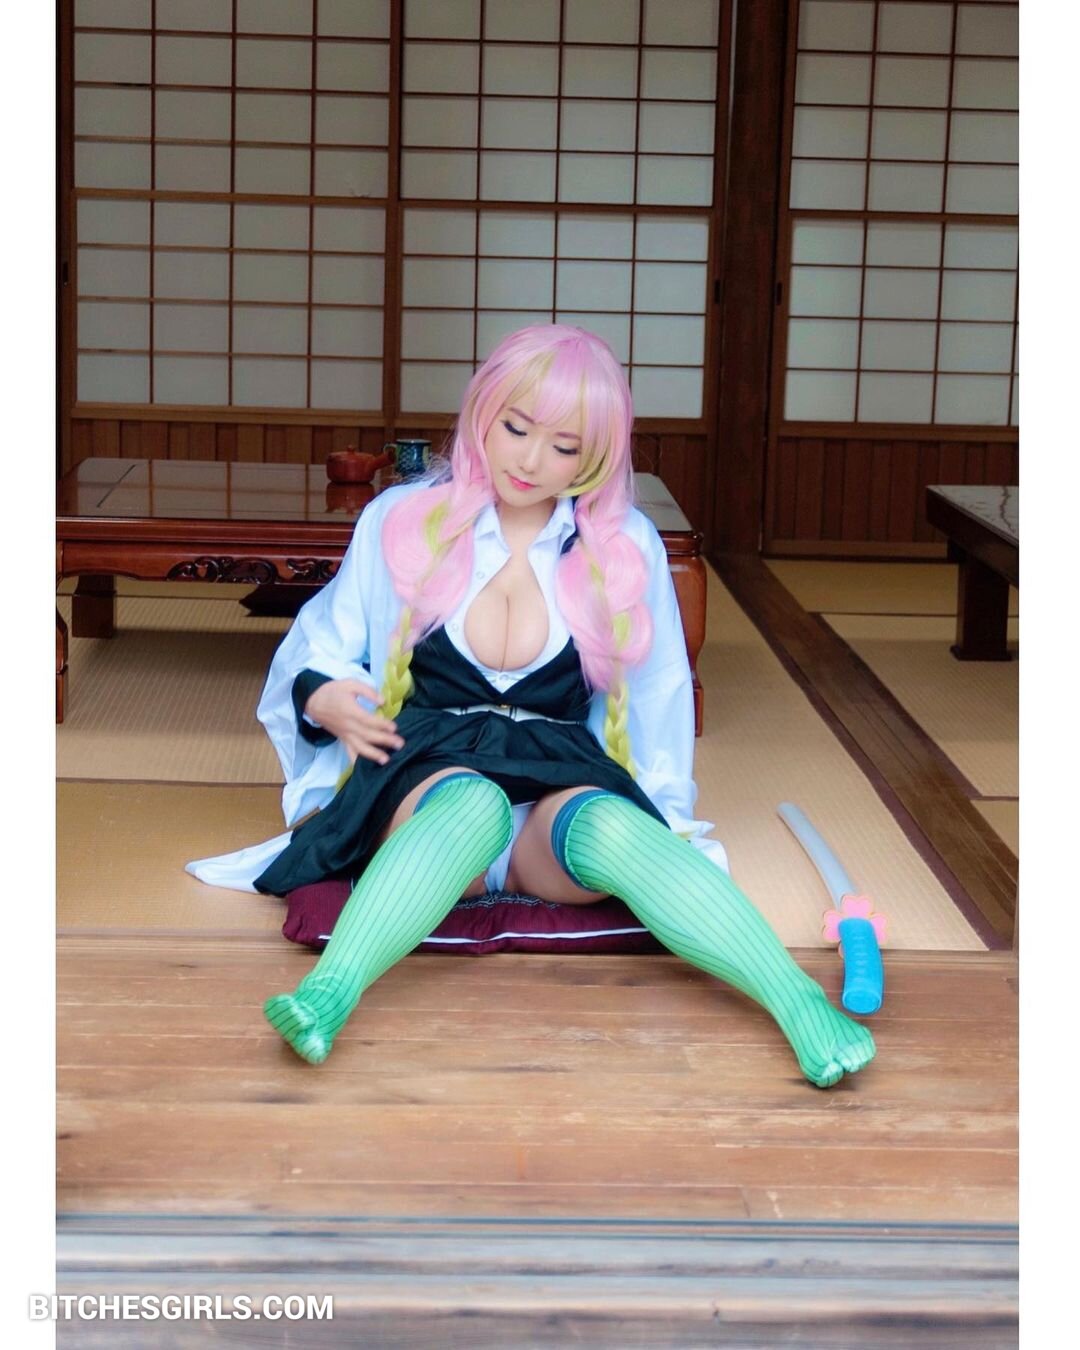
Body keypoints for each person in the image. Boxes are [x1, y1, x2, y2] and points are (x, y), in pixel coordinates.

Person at [187, 324, 875, 1087]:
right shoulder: (405, 517)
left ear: (596, 457)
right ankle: (328, 995)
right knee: (472, 804)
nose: (529, 460)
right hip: (428, 771)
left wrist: (669, 824)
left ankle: (801, 1006)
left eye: (563, 445)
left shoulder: (623, 544)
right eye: (516, 428)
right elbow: (320, 644)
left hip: (556, 775)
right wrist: (327, 697)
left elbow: (659, 697)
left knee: (613, 824)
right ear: (483, 411)